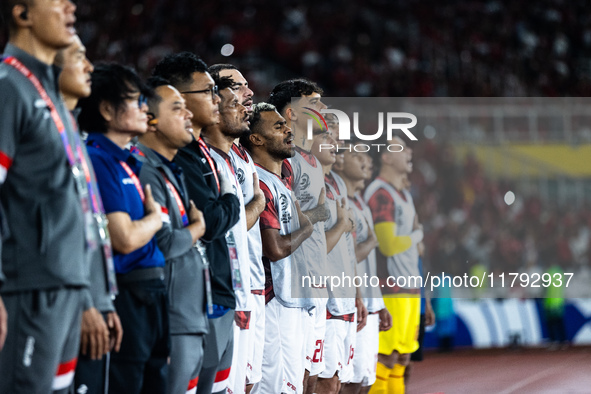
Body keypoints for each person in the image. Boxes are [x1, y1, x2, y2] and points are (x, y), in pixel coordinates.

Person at [0, 1, 90, 392]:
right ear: (23, 14)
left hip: (67, 282)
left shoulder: (52, 95)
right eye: (56, 0)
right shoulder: (8, 85)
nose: (70, 6)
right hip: (28, 287)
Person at [152, 52, 241, 394]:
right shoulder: (182, 156)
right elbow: (213, 221)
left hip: (217, 292)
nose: (216, 98)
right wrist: (233, 198)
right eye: (207, 91)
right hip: (194, 302)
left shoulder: (199, 150)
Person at [78, 63, 168, 394]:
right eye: (135, 100)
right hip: (129, 296)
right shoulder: (98, 159)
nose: (145, 108)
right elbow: (124, 239)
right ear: (105, 108)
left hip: (151, 296)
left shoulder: (127, 162)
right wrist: (155, 220)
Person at [55, 35, 123, 394]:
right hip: (53, 304)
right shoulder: (33, 122)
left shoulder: (74, 134)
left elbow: (87, 231)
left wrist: (100, 299)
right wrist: (85, 302)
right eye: (79, 57)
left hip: (85, 300)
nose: (89, 67)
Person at [135, 77, 209, 394]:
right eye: (177, 108)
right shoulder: (145, 169)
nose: (188, 114)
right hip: (173, 317)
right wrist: (198, 229)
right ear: (150, 121)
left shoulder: (170, 169)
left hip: (190, 316)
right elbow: (165, 243)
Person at [242, 102, 314, 394]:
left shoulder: (281, 183)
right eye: (278, 126)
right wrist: (307, 227)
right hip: (275, 301)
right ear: (256, 139)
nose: (288, 130)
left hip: (291, 301)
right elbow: (275, 248)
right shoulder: (261, 182)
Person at [267, 79, 331, 394]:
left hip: (317, 283)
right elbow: (286, 217)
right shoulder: (284, 158)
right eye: (315, 103)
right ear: (291, 113)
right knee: (293, 381)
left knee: (312, 378)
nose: (323, 109)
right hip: (292, 286)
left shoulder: (312, 159)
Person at [210, 64, 266, 394]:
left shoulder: (241, 155)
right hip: (231, 290)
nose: (247, 94)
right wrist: (257, 201)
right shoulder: (209, 158)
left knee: (248, 385)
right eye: (236, 88)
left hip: (252, 287)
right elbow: (231, 227)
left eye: (247, 86)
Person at [364, 136, 423, 394]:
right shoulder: (380, 193)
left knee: (401, 359)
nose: (409, 151)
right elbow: (387, 246)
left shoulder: (402, 194)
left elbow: (416, 252)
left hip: (409, 288)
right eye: (400, 148)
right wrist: (417, 235)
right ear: (385, 158)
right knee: (385, 358)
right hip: (391, 287)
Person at [308, 130, 357, 394]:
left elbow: (348, 246)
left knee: (338, 380)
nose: (336, 142)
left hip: (345, 293)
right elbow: (315, 247)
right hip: (324, 294)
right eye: (327, 135)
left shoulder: (337, 181)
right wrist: (341, 224)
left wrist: (358, 292)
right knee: (323, 381)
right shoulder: (308, 180)